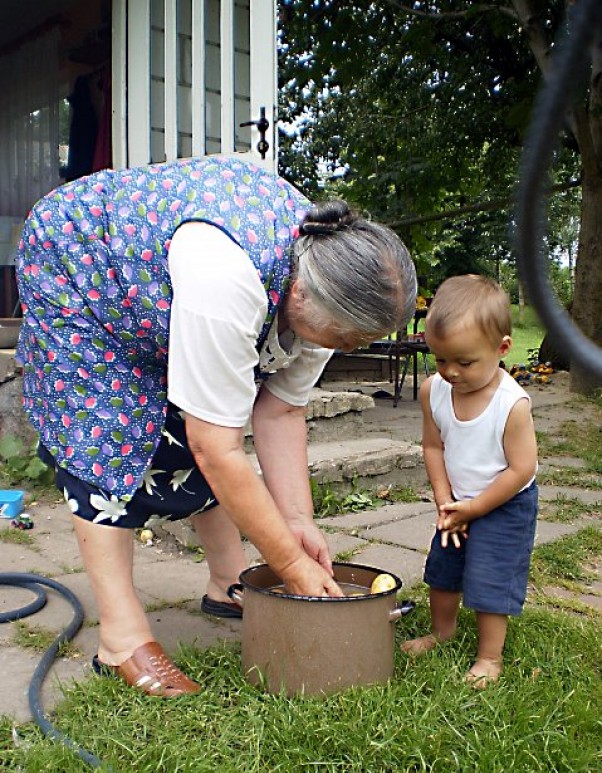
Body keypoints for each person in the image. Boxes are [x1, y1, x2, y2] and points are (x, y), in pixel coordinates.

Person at [15, 155, 417, 697]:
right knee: (109, 440)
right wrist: (292, 566)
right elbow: (218, 450)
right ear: (298, 295)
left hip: (162, 290)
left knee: (199, 418)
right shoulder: (229, 280)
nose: (348, 350)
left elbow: (281, 410)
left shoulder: (325, 274)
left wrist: (297, 521)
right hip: (83, 267)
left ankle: (230, 585)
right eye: (345, 339)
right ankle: (121, 639)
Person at [401, 274, 538, 687]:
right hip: (457, 499)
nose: (452, 373)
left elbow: (522, 469)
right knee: (443, 568)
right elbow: (434, 447)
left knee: (490, 575)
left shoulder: (511, 405)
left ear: (502, 349)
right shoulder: (433, 391)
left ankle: (489, 658)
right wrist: (446, 500)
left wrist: (477, 508)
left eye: (465, 361)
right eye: (441, 360)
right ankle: (442, 633)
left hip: (505, 502)